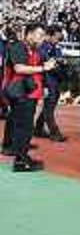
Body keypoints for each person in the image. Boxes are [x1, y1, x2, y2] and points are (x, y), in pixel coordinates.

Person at [1, 23, 55, 172]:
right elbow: (19, 68)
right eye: (39, 35)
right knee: (23, 127)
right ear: (29, 34)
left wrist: (43, 85)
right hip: (19, 92)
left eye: (43, 36)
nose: (42, 39)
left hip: (29, 92)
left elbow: (37, 71)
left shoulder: (35, 50)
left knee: (25, 126)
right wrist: (44, 68)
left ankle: (21, 155)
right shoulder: (18, 47)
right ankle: (20, 160)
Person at [34, 25, 67, 142]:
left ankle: (38, 128)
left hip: (55, 79)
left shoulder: (55, 47)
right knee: (49, 107)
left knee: (50, 106)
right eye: (56, 38)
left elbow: (58, 60)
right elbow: (45, 63)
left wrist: (60, 62)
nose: (58, 40)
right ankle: (54, 132)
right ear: (49, 35)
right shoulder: (41, 47)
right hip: (47, 80)